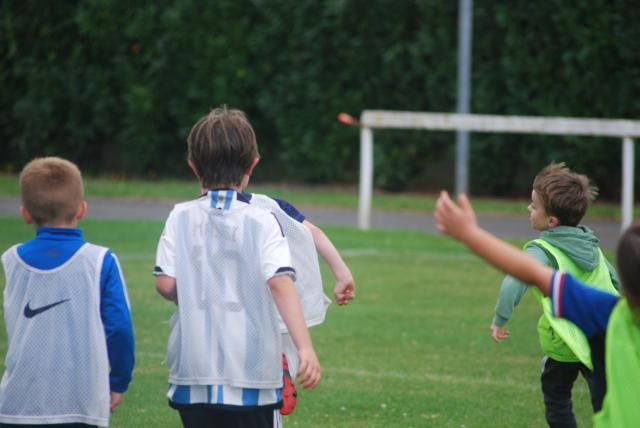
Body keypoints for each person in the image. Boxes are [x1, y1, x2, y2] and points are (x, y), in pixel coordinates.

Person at [154, 106, 321, 428]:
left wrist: (194, 289)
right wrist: (305, 347)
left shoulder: (180, 215)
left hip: (193, 372)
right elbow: (279, 283)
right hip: (252, 374)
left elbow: (165, 284)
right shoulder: (263, 219)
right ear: (252, 164)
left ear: (192, 165)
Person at [435, 191, 640, 428]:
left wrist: (469, 234)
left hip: (564, 347)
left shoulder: (610, 315)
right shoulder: (593, 253)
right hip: (583, 352)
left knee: (557, 398)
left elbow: (528, 272)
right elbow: (610, 278)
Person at [0, 157, 135, 428]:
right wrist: (119, 380)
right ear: (82, 209)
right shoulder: (100, 262)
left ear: (25, 213)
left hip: (15, 407)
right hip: (80, 407)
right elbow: (119, 328)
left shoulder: (11, 261)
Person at [489, 163, 618, 428]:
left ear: (552, 221)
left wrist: (500, 318)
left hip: (564, 343)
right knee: (604, 403)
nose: (528, 209)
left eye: (534, 206)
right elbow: (615, 281)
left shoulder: (542, 251)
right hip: (601, 339)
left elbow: (514, 280)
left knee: (557, 398)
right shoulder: (591, 245)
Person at [245, 192, 356, 415]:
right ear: (250, 166)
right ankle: (277, 371)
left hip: (235, 310)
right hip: (280, 308)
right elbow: (312, 232)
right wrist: (342, 273)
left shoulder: (193, 214)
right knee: (266, 391)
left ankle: (274, 375)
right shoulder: (269, 205)